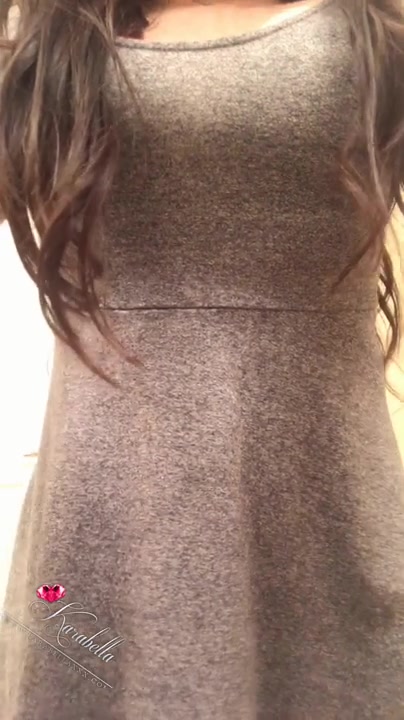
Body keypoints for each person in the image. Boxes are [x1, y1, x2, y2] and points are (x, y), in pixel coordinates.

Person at [0, 0, 404, 717]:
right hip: (99, 531)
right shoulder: (54, 36)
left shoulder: (374, 33)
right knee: (87, 671)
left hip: (319, 525)